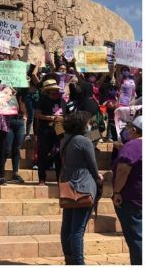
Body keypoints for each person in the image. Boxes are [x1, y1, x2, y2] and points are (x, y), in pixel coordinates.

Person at [59, 111, 102, 265]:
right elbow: (93, 166)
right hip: (83, 186)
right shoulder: (84, 141)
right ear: (81, 125)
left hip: (68, 185)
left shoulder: (65, 140)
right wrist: (99, 177)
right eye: (87, 123)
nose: (89, 125)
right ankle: (79, 263)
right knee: (78, 230)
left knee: (67, 227)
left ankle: (69, 260)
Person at [112, 115, 142, 265]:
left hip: (131, 199)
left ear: (134, 130)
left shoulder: (132, 145)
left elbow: (123, 170)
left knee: (136, 237)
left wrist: (117, 191)